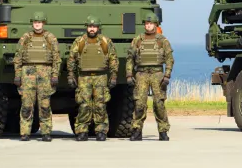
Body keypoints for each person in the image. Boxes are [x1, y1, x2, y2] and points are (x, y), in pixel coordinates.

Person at [67, 16, 118, 141]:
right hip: (84, 77)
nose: (92, 29)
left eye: (94, 27)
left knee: (100, 105)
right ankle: (81, 130)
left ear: (98, 28)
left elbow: (113, 60)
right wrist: (71, 75)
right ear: (87, 27)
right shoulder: (79, 41)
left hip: (101, 77)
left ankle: (101, 131)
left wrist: (113, 76)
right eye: (90, 27)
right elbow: (72, 59)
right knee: (84, 105)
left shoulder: (106, 41)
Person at [12, 11, 60, 142]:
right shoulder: (25, 37)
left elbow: (56, 58)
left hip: (45, 72)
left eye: (39, 22)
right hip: (28, 72)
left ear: (43, 23)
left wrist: (55, 75)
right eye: (35, 22)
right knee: (27, 104)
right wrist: (17, 75)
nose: (37, 24)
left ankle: (46, 132)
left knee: (45, 105)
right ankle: (25, 132)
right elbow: (18, 58)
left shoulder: (50, 38)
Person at [126, 13, 174, 141]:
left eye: (151, 23)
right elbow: (130, 59)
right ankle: (136, 130)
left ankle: (163, 131)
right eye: (147, 24)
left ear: (155, 25)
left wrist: (167, 75)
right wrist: (129, 74)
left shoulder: (162, 40)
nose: (148, 26)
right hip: (141, 74)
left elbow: (169, 59)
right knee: (139, 103)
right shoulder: (138, 40)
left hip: (157, 74)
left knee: (159, 104)